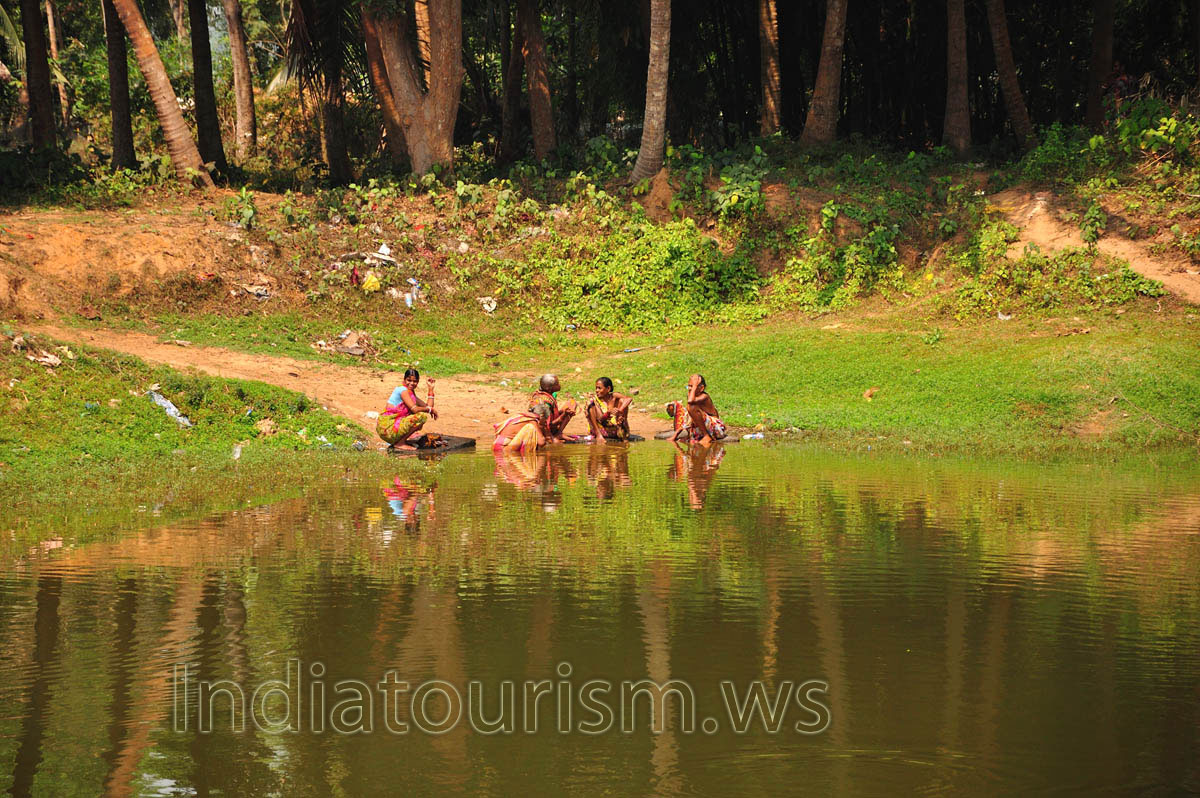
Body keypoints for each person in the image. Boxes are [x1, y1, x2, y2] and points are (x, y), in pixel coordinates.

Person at [377, 368, 438, 450]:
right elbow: (415, 409)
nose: (412, 383)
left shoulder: (410, 392)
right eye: (409, 380)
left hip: (392, 429)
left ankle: (401, 440)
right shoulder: (403, 391)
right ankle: (400, 443)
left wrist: (431, 389)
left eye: (415, 381)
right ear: (404, 379)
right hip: (387, 429)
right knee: (420, 416)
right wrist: (430, 410)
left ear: (418, 382)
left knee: (421, 416)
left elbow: (428, 406)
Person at [667, 374, 726, 446]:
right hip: (701, 426)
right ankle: (694, 436)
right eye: (689, 386)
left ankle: (706, 436)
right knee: (682, 408)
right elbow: (688, 416)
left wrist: (694, 386)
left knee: (691, 407)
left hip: (715, 428)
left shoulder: (704, 396)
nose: (689, 389)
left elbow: (690, 402)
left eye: (693, 386)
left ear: (701, 388)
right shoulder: (691, 398)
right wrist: (675, 435)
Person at [529, 374, 577, 441]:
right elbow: (548, 425)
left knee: (572, 403)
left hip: (548, 422)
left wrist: (563, 412)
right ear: (550, 388)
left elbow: (551, 413)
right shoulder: (544, 403)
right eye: (557, 384)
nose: (559, 385)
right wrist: (564, 414)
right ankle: (558, 434)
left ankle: (559, 433)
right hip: (544, 430)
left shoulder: (544, 394)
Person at [585, 377, 632, 442]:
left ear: (608, 389)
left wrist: (620, 411)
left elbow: (629, 399)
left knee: (622, 401)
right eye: (596, 388)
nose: (597, 390)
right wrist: (608, 413)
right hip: (601, 430)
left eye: (599, 388)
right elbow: (601, 420)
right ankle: (598, 435)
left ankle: (623, 432)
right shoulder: (594, 400)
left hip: (616, 430)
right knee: (590, 403)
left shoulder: (613, 396)